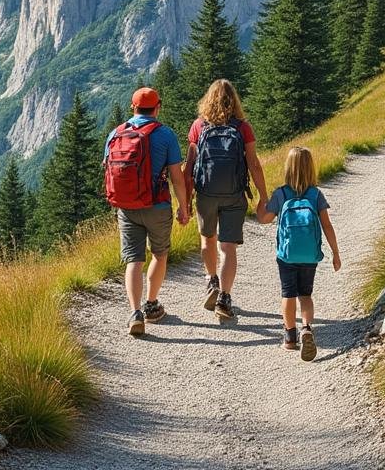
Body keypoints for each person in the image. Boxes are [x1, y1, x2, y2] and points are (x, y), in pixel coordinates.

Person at [104, 87, 189, 336]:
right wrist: (183, 208)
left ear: (133, 107)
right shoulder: (165, 135)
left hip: (127, 207)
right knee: (160, 255)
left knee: (134, 260)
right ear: (157, 107)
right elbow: (177, 177)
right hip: (157, 206)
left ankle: (134, 313)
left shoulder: (115, 133)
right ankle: (151, 304)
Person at [183, 79, 268, 320]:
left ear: (208, 100)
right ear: (234, 100)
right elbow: (253, 164)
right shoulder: (243, 127)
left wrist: (186, 200)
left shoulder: (199, 126)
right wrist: (263, 195)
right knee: (228, 247)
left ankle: (211, 281)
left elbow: (189, 167)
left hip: (206, 194)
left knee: (207, 239)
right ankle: (224, 297)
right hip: (234, 194)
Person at [258, 146, 341, 361]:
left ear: (288, 168)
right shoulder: (316, 194)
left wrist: (261, 204)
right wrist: (335, 252)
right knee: (305, 294)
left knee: (288, 293)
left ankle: (289, 337)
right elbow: (327, 225)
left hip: (286, 255)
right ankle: (306, 328)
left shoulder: (282, 193)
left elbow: (265, 219)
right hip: (309, 255)